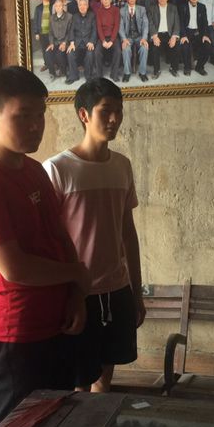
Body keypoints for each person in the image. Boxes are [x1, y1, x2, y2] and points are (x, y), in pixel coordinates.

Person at [0, 66, 89, 427]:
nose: (35, 126)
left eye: (40, 115)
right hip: (16, 338)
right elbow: (14, 268)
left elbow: (60, 236)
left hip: (58, 327)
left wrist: (76, 294)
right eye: (23, 116)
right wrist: (76, 273)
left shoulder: (34, 171)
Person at [43, 78, 145, 393]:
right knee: (79, 383)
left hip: (117, 289)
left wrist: (136, 292)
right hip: (77, 292)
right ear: (84, 115)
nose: (114, 119)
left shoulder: (122, 166)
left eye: (119, 111)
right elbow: (49, 239)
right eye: (105, 111)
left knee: (105, 379)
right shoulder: (58, 169)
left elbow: (128, 233)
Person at [148, 0, 181, 79]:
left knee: (176, 46)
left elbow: (177, 23)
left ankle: (173, 68)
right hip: (157, 34)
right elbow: (150, 23)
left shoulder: (173, 8)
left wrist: (174, 37)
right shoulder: (152, 8)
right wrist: (154, 36)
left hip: (169, 33)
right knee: (155, 48)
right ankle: (156, 70)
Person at [178, 0, 211, 76]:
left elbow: (205, 22)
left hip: (198, 32)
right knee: (184, 46)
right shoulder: (182, 7)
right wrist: (183, 35)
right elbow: (180, 22)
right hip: (187, 32)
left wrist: (205, 35)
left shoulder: (202, 7)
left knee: (207, 45)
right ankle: (187, 67)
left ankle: (199, 67)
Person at [119, 0, 149, 83]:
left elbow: (145, 25)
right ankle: (127, 73)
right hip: (128, 36)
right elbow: (120, 27)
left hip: (139, 36)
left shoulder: (142, 9)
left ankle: (142, 73)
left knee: (144, 48)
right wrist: (124, 39)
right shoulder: (122, 10)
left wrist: (144, 38)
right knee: (126, 49)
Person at [66, 0, 97, 84]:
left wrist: (91, 41)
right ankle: (73, 76)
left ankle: (88, 75)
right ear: (78, 6)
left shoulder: (92, 15)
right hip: (77, 42)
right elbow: (71, 30)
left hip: (88, 42)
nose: (82, 7)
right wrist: (72, 43)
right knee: (70, 53)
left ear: (87, 6)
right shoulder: (74, 16)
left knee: (90, 54)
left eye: (84, 5)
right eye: (80, 5)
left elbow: (94, 30)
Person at [94, 0, 122, 81]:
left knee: (118, 51)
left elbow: (116, 26)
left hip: (113, 37)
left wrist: (111, 41)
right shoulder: (99, 11)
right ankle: (99, 75)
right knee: (97, 52)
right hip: (102, 37)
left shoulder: (116, 10)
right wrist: (103, 41)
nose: (105, 0)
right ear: (101, 1)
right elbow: (99, 27)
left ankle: (114, 74)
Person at [47, 0, 73, 79]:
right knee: (47, 53)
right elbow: (50, 32)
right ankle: (52, 73)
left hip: (65, 42)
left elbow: (70, 32)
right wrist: (51, 43)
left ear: (63, 7)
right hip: (55, 42)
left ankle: (63, 71)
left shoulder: (69, 16)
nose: (58, 8)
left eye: (60, 6)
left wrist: (65, 43)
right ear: (54, 7)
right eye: (56, 6)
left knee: (59, 54)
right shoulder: (51, 18)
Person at [32, 0, 53, 72]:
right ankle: (46, 64)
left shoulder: (53, 6)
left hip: (51, 32)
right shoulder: (38, 8)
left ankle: (54, 64)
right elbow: (36, 20)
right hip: (42, 32)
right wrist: (36, 32)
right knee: (44, 49)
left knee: (52, 48)